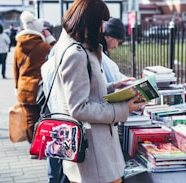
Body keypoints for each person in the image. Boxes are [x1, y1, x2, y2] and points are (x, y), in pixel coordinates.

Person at [41, 0, 147, 182]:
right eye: (100, 22)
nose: (102, 28)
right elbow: (79, 107)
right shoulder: (76, 54)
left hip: (97, 153)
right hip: (94, 155)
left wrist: (115, 87)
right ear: (88, 21)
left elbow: (86, 90)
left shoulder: (78, 48)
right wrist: (122, 109)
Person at [13, 10, 56, 143]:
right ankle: (37, 146)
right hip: (38, 89)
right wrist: (50, 39)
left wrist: (16, 87)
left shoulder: (18, 46)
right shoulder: (44, 47)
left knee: (29, 118)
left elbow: (15, 69)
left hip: (23, 88)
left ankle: (33, 144)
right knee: (40, 117)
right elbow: (58, 55)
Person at [100, 17, 127, 83]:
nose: (116, 46)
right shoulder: (98, 54)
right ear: (108, 36)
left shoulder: (102, 52)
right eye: (118, 41)